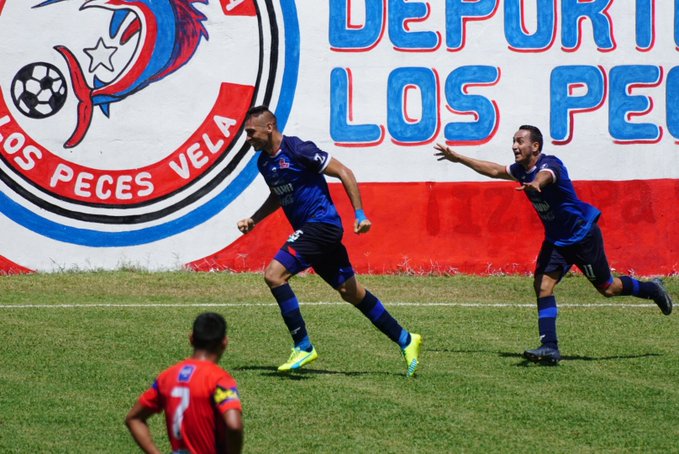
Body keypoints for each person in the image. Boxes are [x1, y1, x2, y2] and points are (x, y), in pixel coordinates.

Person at [434, 125, 673, 365]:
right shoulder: (520, 170)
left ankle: (652, 290)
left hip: (582, 236)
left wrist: (537, 183)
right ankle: (549, 348)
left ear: (535, 146)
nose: (514, 146)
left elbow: (546, 175)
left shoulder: (550, 165)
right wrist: (458, 158)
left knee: (608, 288)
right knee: (543, 286)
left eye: (520, 141)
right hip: (556, 241)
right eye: (514, 141)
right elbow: (496, 170)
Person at [237, 105, 422, 377]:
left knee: (274, 275)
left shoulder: (299, 149)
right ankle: (406, 339)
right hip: (314, 231)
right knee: (351, 293)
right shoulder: (264, 162)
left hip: (322, 225)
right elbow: (278, 194)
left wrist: (360, 214)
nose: (247, 138)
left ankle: (303, 345)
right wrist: (254, 219)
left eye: (251, 132)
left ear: (269, 127)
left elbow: (344, 172)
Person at [125, 312, 244, 453]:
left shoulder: (167, 377)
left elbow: (133, 419)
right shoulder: (219, 379)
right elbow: (234, 425)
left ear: (191, 339)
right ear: (224, 342)